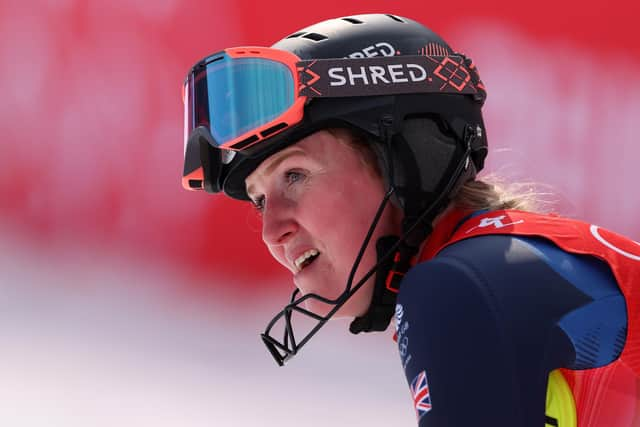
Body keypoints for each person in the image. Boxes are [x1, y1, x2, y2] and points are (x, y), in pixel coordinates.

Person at [180, 13, 640, 426]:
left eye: (294, 176)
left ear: (405, 159)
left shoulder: (461, 287)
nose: (271, 230)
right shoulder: (515, 265)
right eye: (259, 201)